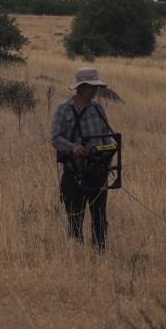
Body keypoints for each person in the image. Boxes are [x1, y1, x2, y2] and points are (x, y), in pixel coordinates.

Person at [51, 67, 114, 251]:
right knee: (75, 215)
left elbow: (106, 137)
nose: (95, 91)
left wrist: (107, 156)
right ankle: (77, 254)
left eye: (96, 87)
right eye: (92, 87)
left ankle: (100, 251)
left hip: (97, 171)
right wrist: (73, 148)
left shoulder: (98, 108)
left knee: (100, 215)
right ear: (82, 87)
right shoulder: (63, 109)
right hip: (74, 171)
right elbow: (55, 138)